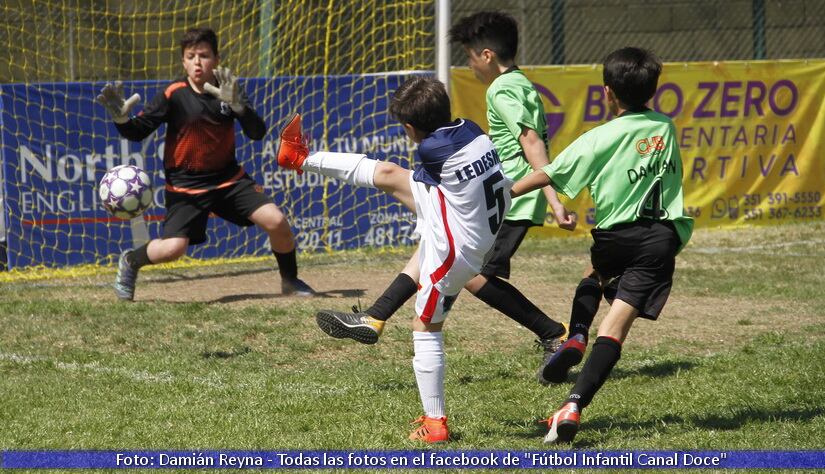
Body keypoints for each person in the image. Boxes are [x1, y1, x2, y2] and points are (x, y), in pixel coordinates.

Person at [313, 11, 577, 385]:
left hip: (505, 196)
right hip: (502, 193)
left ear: (486, 55)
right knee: (440, 243)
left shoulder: (502, 88)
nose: (468, 64)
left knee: (468, 271)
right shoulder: (519, 83)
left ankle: (555, 334)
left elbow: (530, 141)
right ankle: (376, 315)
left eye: (469, 55)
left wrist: (554, 199)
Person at [276, 76, 512, 443]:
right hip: (478, 224)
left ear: (408, 127)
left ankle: (435, 424)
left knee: (425, 327)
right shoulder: (471, 128)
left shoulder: (431, 152)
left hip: (458, 251)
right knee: (387, 174)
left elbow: (414, 175)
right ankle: (374, 317)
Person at [509, 47, 694, 443]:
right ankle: (573, 404)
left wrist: (506, 192)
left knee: (593, 274)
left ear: (607, 93)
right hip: (660, 238)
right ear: (654, 90)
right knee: (616, 329)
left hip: (615, 237)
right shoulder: (665, 126)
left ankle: (576, 333)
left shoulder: (600, 136)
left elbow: (549, 174)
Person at [95, 27, 313, 301]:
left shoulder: (229, 90)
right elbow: (137, 132)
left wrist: (239, 108)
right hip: (186, 189)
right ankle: (131, 260)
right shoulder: (173, 93)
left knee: (277, 221)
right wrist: (122, 120)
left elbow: (257, 133)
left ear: (216, 59)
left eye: (204, 55)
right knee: (173, 249)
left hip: (229, 181)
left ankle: (290, 280)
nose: (198, 62)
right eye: (191, 56)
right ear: (183, 61)